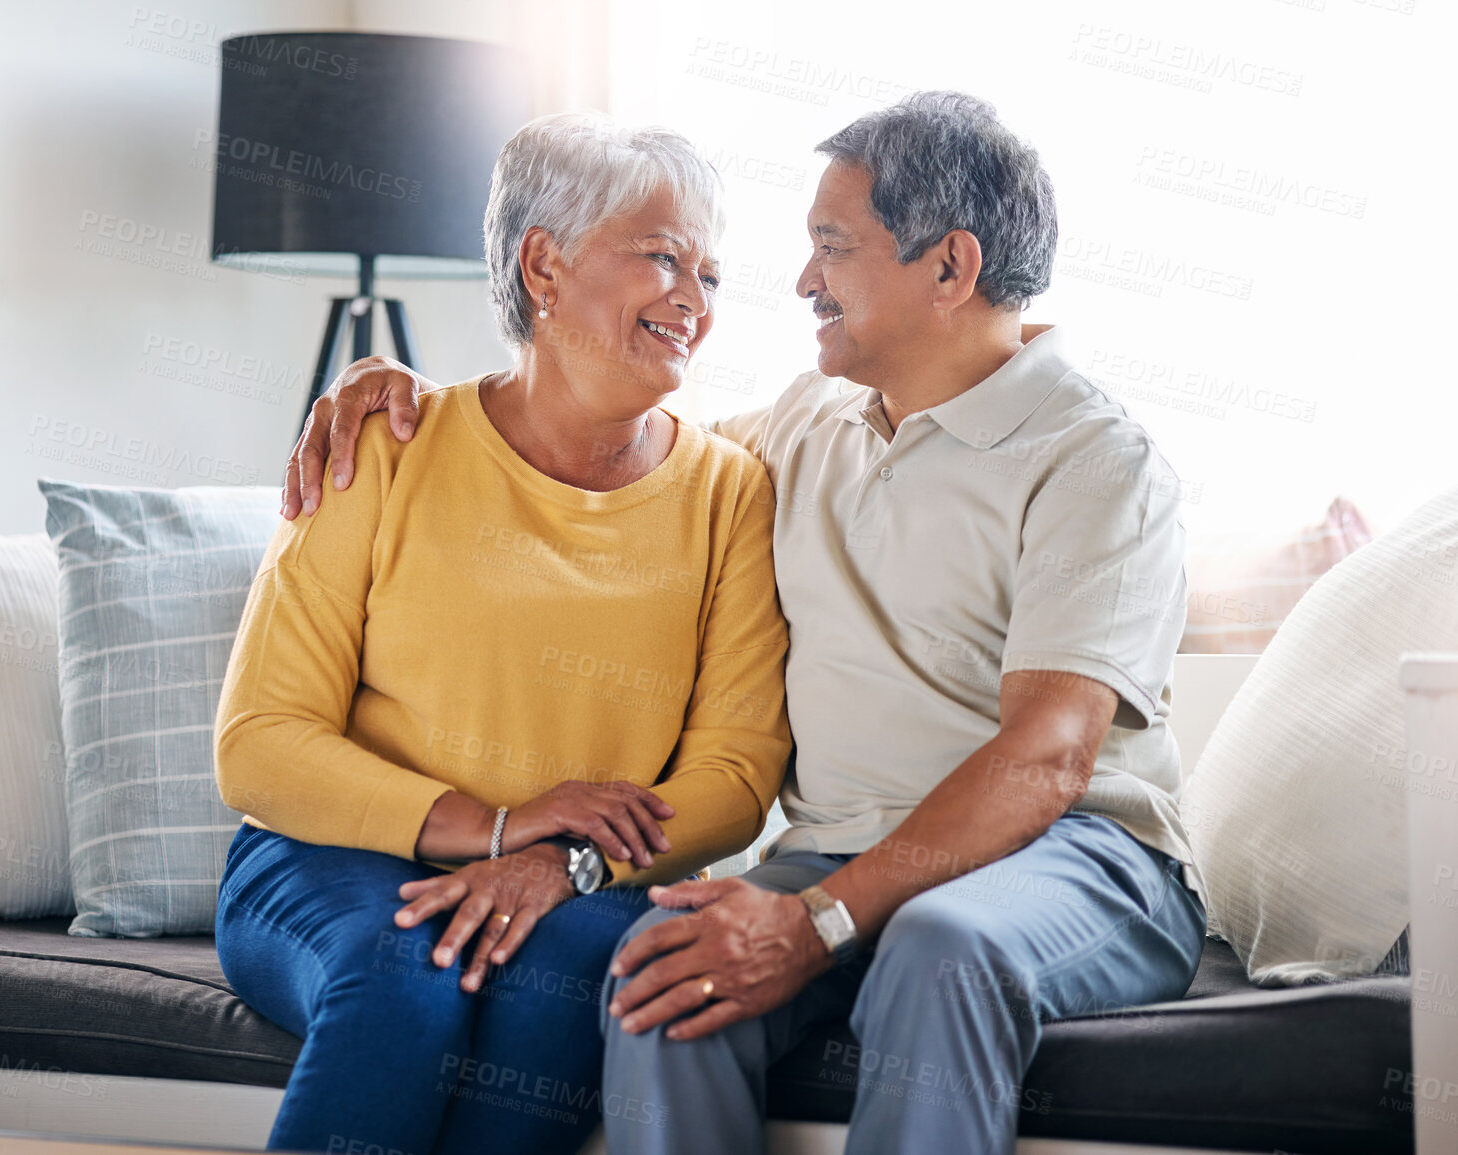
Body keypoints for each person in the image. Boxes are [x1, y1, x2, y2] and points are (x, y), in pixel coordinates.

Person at [279, 91, 1206, 1155]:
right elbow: (590, 439)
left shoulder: (1095, 460)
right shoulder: (810, 421)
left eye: (834, 248)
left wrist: (818, 922)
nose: (804, 281)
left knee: (942, 948)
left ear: (950, 268)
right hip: (841, 853)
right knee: (665, 969)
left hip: (1077, 855)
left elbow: (1048, 760)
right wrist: (402, 396)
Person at [214, 113, 791, 1155]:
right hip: (327, 856)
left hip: (587, 877)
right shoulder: (385, 443)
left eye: (710, 276)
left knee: (566, 980)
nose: (693, 302)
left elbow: (739, 773)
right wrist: (491, 826)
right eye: (662, 257)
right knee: (403, 975)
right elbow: (259, 742)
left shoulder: (729, 491)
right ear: (544, 266)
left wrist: (556, 857)